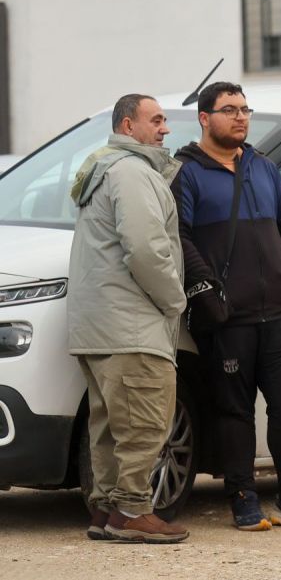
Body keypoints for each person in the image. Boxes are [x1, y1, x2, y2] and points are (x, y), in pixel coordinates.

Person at [172, 81, 281, 531]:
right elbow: (178, 236)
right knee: (234, 413)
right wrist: (204, 287)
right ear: (205, 118)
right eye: (229, 110)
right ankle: (242, 497)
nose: (241, 117)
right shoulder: (186, 172)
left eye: (245, 109)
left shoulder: (262, 167)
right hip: (227, 319)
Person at [67, 94, 189, 543]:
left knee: (108, 425)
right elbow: (144, 247)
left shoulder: (100, 168)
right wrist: (174, 300)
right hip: (131, 324)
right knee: (144, 421)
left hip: (96, 325)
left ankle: (104, 510)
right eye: (155, 120)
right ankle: (133, 512)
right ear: (127, 125)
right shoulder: (133, 172)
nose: (165, 129)